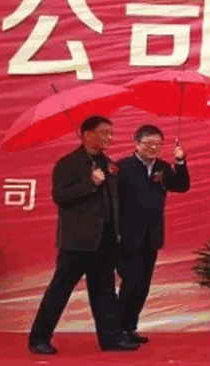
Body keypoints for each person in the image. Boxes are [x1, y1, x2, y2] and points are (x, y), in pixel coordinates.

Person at [28, 115, 140, 354]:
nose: (109, 137)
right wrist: (91, 183)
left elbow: (114, 201)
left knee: (105, 292)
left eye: (111, 133)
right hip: (77, 241)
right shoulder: (68, 163)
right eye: (104, 133)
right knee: (60, 290)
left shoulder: (108, 164)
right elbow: (60, 197)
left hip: (105, 240)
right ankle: (39, 338)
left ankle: (111, 339)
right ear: (87, 134)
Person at [115, 125, 190, 344]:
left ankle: (130, 327)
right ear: (136, 143)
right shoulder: (122, 167)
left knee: (143, 284)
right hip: (127, 236)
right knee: (130, 282)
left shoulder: (163, 168)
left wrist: (180, 162)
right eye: (148, 144)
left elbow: (182, 186)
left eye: (158, 144)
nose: (153, 148)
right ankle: (118, 330)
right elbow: (112, 202)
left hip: (152, 235)